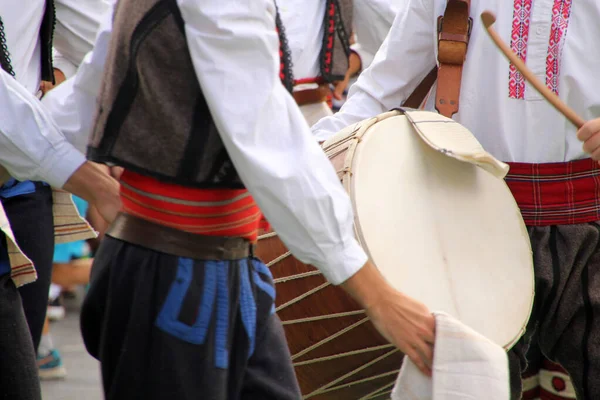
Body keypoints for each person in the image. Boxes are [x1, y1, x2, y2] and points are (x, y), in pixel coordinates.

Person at [27, 0, 440, 398]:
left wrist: (27, 142)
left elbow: (80, 106)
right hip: (177, 278)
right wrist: (378, 296)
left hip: (210, 267)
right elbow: (270, 146)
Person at [312, 1, 600, 399]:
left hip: (591, 219)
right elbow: (380, 90)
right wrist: (300, 164)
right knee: (465, 389)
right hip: (465, 222)